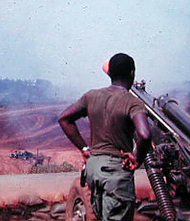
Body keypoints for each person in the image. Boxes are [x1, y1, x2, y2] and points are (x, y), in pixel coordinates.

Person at [58, 53, 151, 221]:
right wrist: (137, 159)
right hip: (115, 171)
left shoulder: (91, 96)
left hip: (94, 168)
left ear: (111, 74)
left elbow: (64, 118)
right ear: (132, 73)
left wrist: (84, 148)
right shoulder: (133, 102)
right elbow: (144, 135)